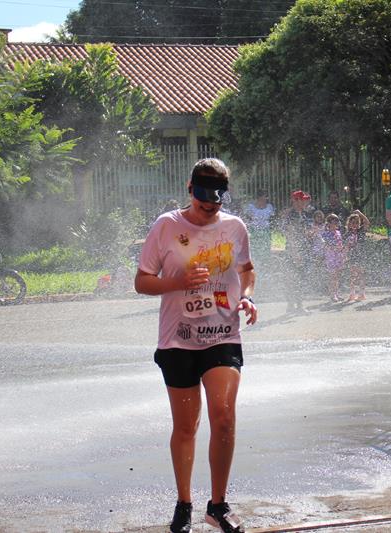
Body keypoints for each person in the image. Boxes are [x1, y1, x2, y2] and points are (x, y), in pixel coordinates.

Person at [134, 158, 255, 533]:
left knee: (224, 416)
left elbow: (246, 270)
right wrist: (179, 282)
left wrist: (247, 297)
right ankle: (184, 503)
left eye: (216, 205)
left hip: (222, 334)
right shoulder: (167, 226)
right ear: (190, 190)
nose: (209, 212)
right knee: (186, 426)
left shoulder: (235, 227)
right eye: (203, 205)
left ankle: (217, 505)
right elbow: (142, 281)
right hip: (178, 339)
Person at [280, 190, 313, 313]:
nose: (306, 201)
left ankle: (297, 305)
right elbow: (289, 234)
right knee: (293, 278)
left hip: (302, 250)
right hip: (294, 251)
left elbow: (303, 233)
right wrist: (295, 253)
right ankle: (293, 305)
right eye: (303, 199)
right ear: (296, 200)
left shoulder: (302, 214)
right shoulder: (291, 215)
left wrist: (310, 234)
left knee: (300, 278)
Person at [344, 210, 370, 302]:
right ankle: (352, 294)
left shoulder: (361, 231)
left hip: (361, 255)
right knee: (352, 275)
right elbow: (345, 246)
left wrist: (360, 214)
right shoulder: (347, 233)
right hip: (352, 256)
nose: (355, 224)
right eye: (353, 222)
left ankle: (362, 294)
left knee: (361, 274)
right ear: (349, 223)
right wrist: (345, 255)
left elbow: (367, 222)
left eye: (357, 222)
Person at [242, 189, 274, 262]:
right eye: (265, 196)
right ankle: (254, 262)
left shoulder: (269, 207)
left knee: (266, 247)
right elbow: (247, 218)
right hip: (254, 230)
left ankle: (265, 262)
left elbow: (271, 219)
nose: (267, 198)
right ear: (260, 197)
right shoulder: (251, 207)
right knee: (254, 247)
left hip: (266, 229)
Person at [321, 214, 345, 301]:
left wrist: (342, 252)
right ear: (329, 223)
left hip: (338, 255)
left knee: (337, 276)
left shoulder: (338, 232)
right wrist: (333, 248)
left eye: (337, 221)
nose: (336, 223)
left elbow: (340, 244)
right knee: (332, 275)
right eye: (334, 222)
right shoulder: (325, 234)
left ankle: (336, 293)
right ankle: (332, 294)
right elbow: (325, 245)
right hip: (331, 256)